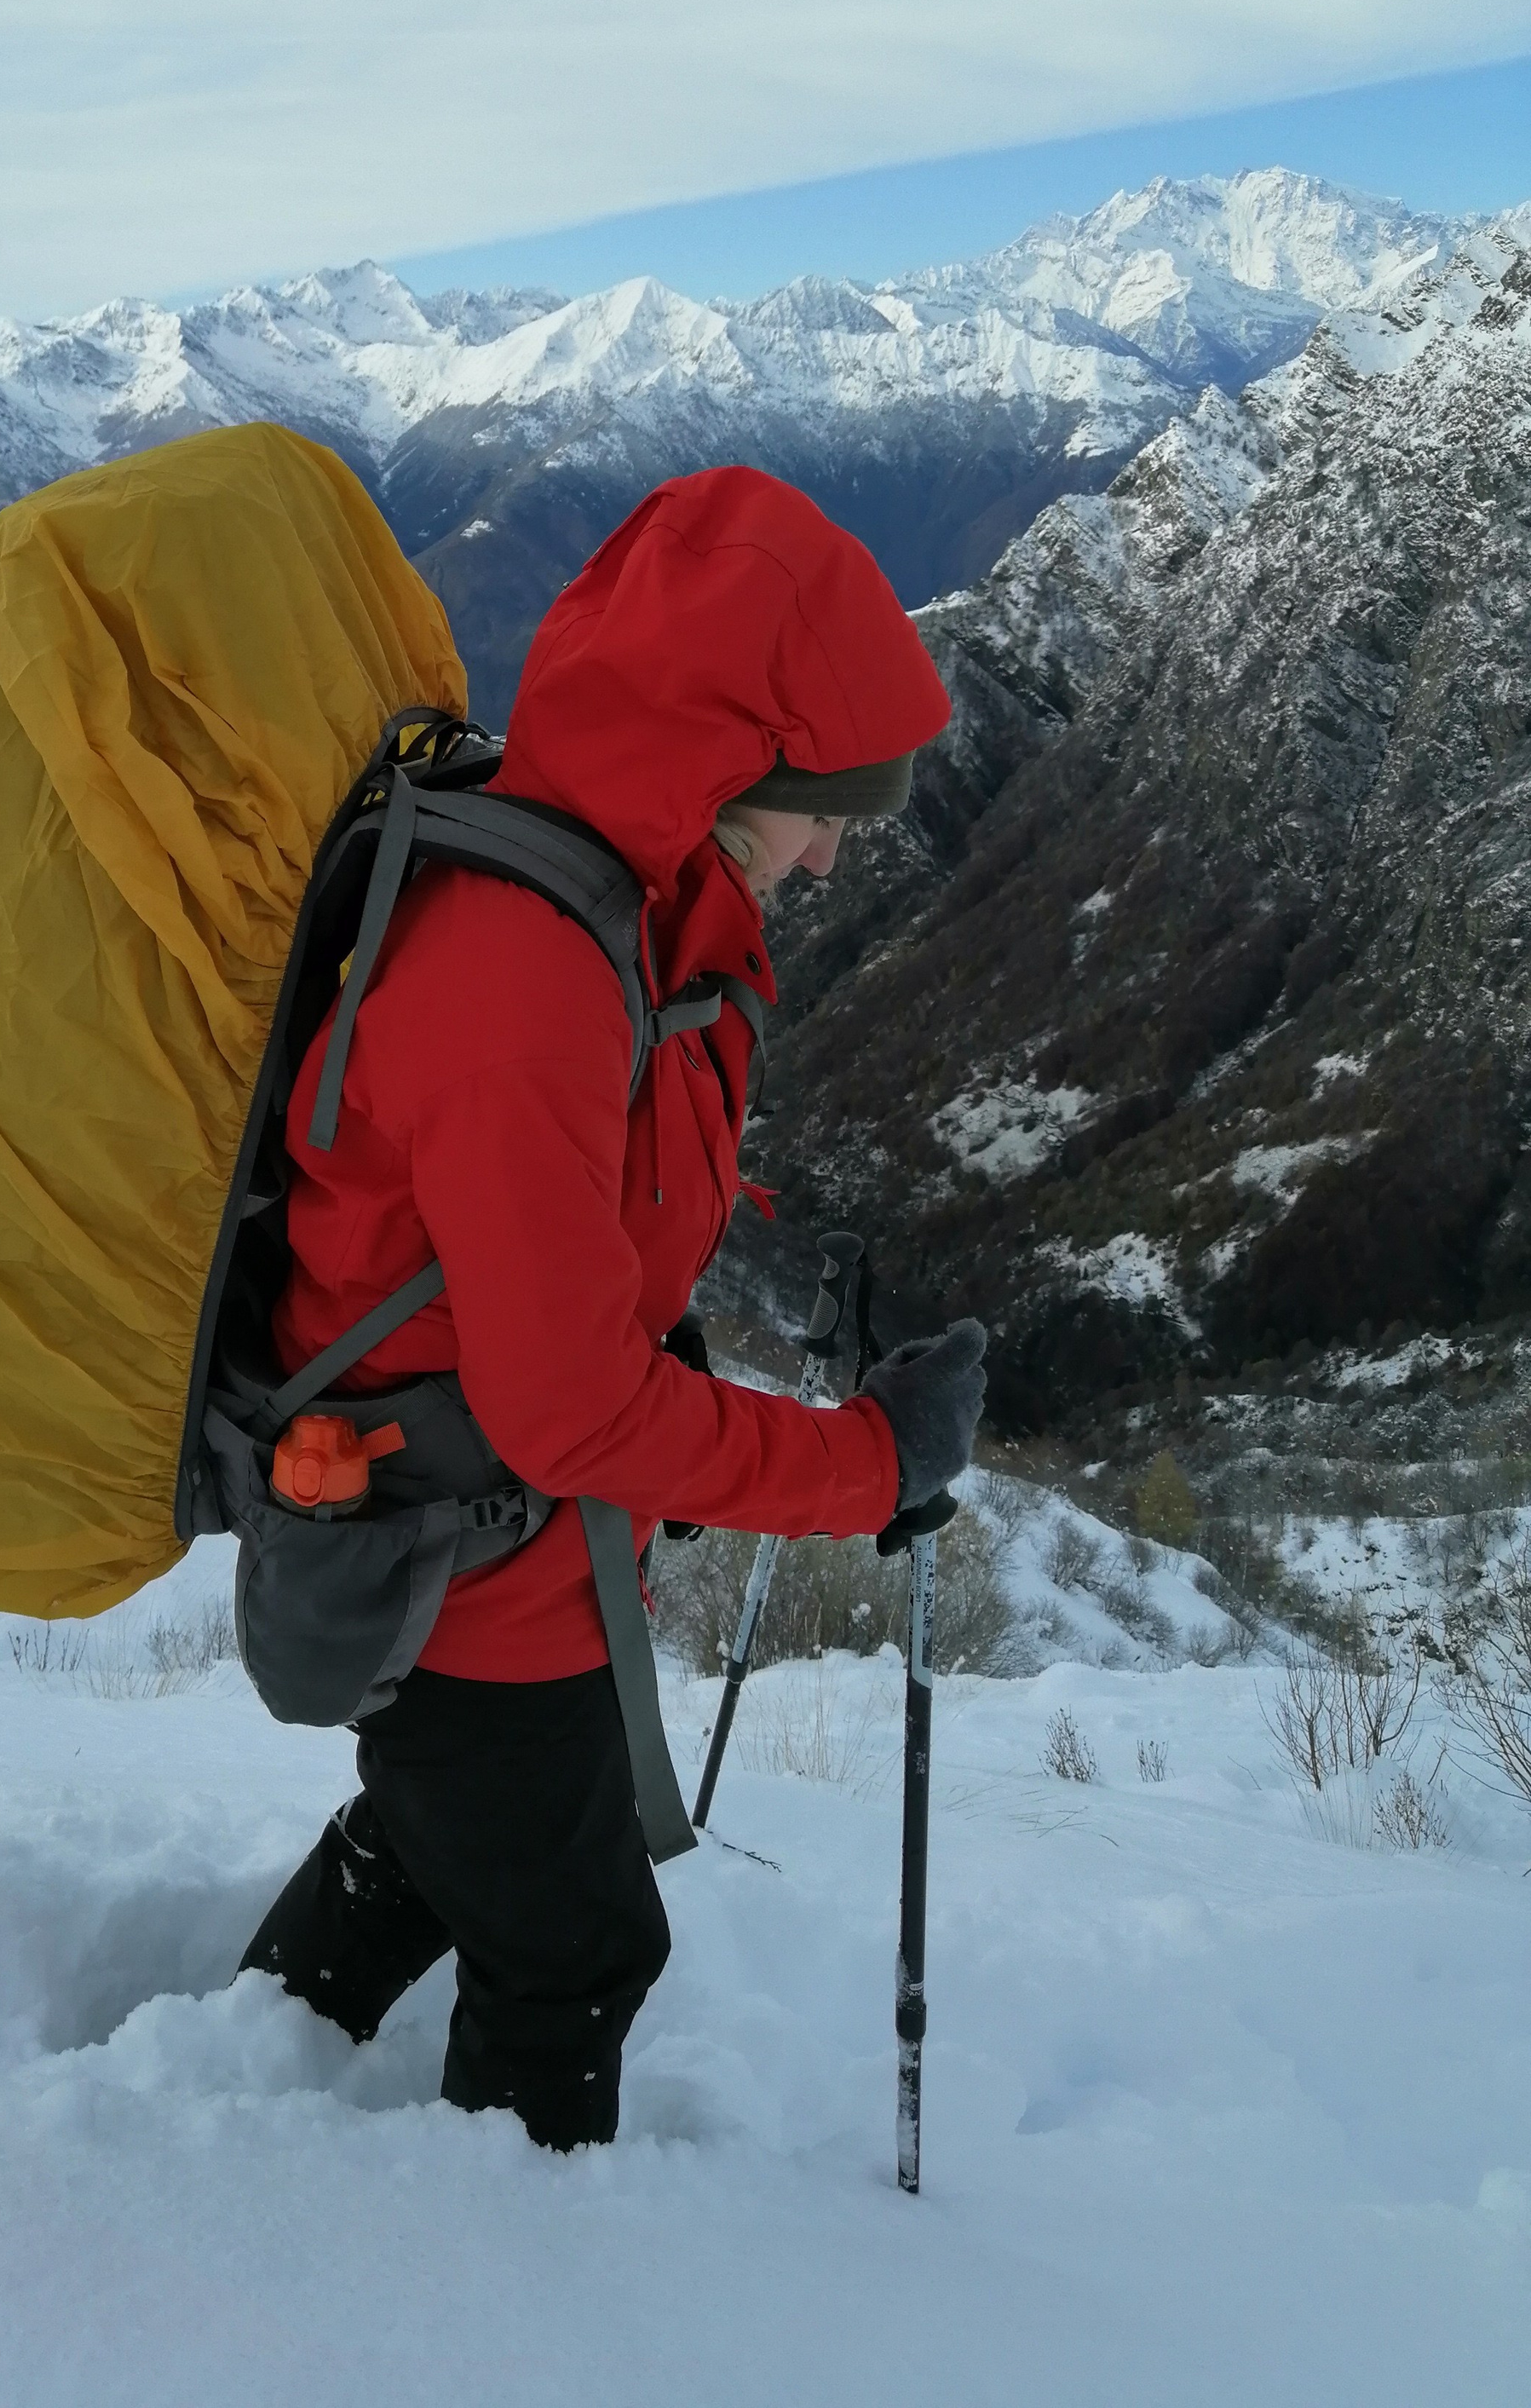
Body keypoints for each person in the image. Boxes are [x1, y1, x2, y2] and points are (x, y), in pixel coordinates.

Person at [239, 464, 987, 2148]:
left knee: (455, 1834)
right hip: (457, 1568)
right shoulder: (524, 976)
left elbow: (562, 1277)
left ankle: (236, 2066)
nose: (821, 855)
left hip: (499, 1545)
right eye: (818, 808)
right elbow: (564, 1409)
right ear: (723, 767)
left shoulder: (619, 901)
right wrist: (863, 1462)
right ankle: (510, 2294)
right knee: (577, 1946)